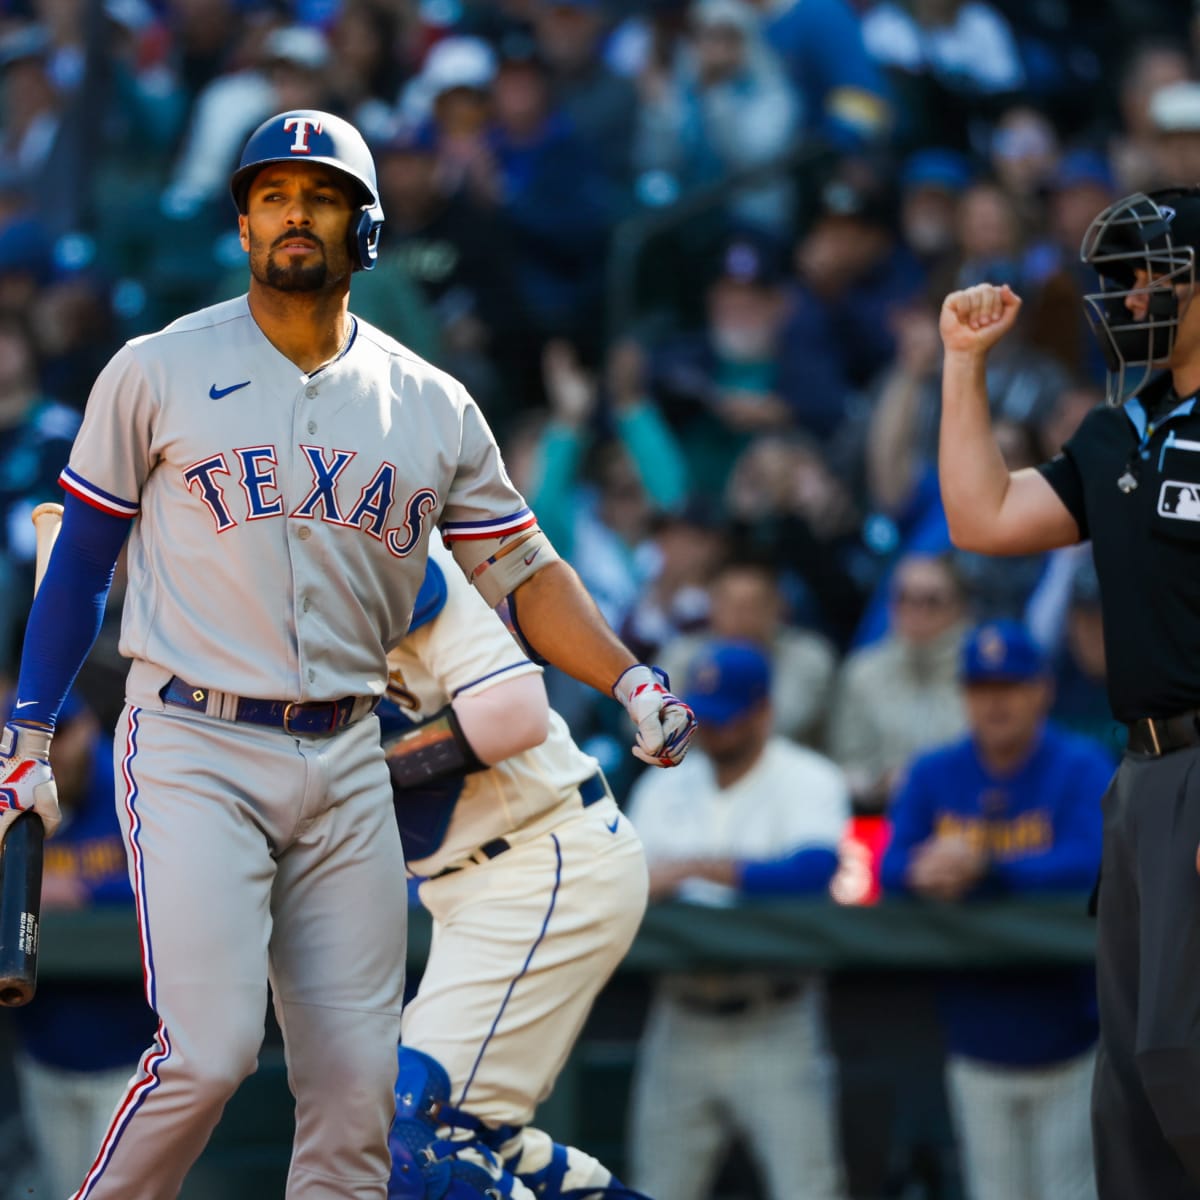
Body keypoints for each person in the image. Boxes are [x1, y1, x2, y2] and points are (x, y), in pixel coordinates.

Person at [0, 109, 696, 1200]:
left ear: (365, 231)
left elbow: (524, 570)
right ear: (240, 225)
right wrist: (26, 732)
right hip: (195, 735)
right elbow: (81, 554)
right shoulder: (156, 368)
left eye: (320, 195)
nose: (293, 213)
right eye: (272, 194)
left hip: (347, 753)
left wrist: (628, 674)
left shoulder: (430, 403)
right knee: (210, 1053)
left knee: (359, 1096)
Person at [937, 185, 1200, 1198]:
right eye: (1122, 278)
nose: (1132, 299)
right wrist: (964, 368)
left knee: (1184, 1059)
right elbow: (984, 515)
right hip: (1142, 777)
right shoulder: (1118, 428)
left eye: (1153, 275)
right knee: (1133, 1078)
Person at [383, 539, 648, 1198]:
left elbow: (512, 715)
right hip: (476, 881)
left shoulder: (386, 538)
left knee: (422, 1144)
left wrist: (364, 769)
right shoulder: (241, 604)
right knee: (481, 1140)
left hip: (539, 852)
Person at [880, 619, 1109, 1200]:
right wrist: (919, 871)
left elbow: (1096, 861)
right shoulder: (934, 772)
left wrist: (986, 866)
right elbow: (887, 867)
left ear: (1042, 691)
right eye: (982, 688)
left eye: (1010, 685)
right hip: (975, 1035)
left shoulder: (1081, 765)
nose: (995, 701)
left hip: (1073, 1037)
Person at [625, 640, 850, 1200]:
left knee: (809, 1189)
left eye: (729, 717)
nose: (716, 731)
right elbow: (619, 882)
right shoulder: (662, 783)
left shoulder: (809, 778)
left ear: (764, 713)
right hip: (679, 1017)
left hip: (776, 1017)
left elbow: (813, 871)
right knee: (658, 1188)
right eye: (707, 716)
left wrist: (696, 870)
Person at [7, 691, 157, 1200]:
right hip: (46, 1057)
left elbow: (183, 880)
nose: (50, 753)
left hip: (133, 1061)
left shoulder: (131, 780)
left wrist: (83, 891)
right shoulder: (14, 787)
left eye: (63, 732)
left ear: (89, 725)